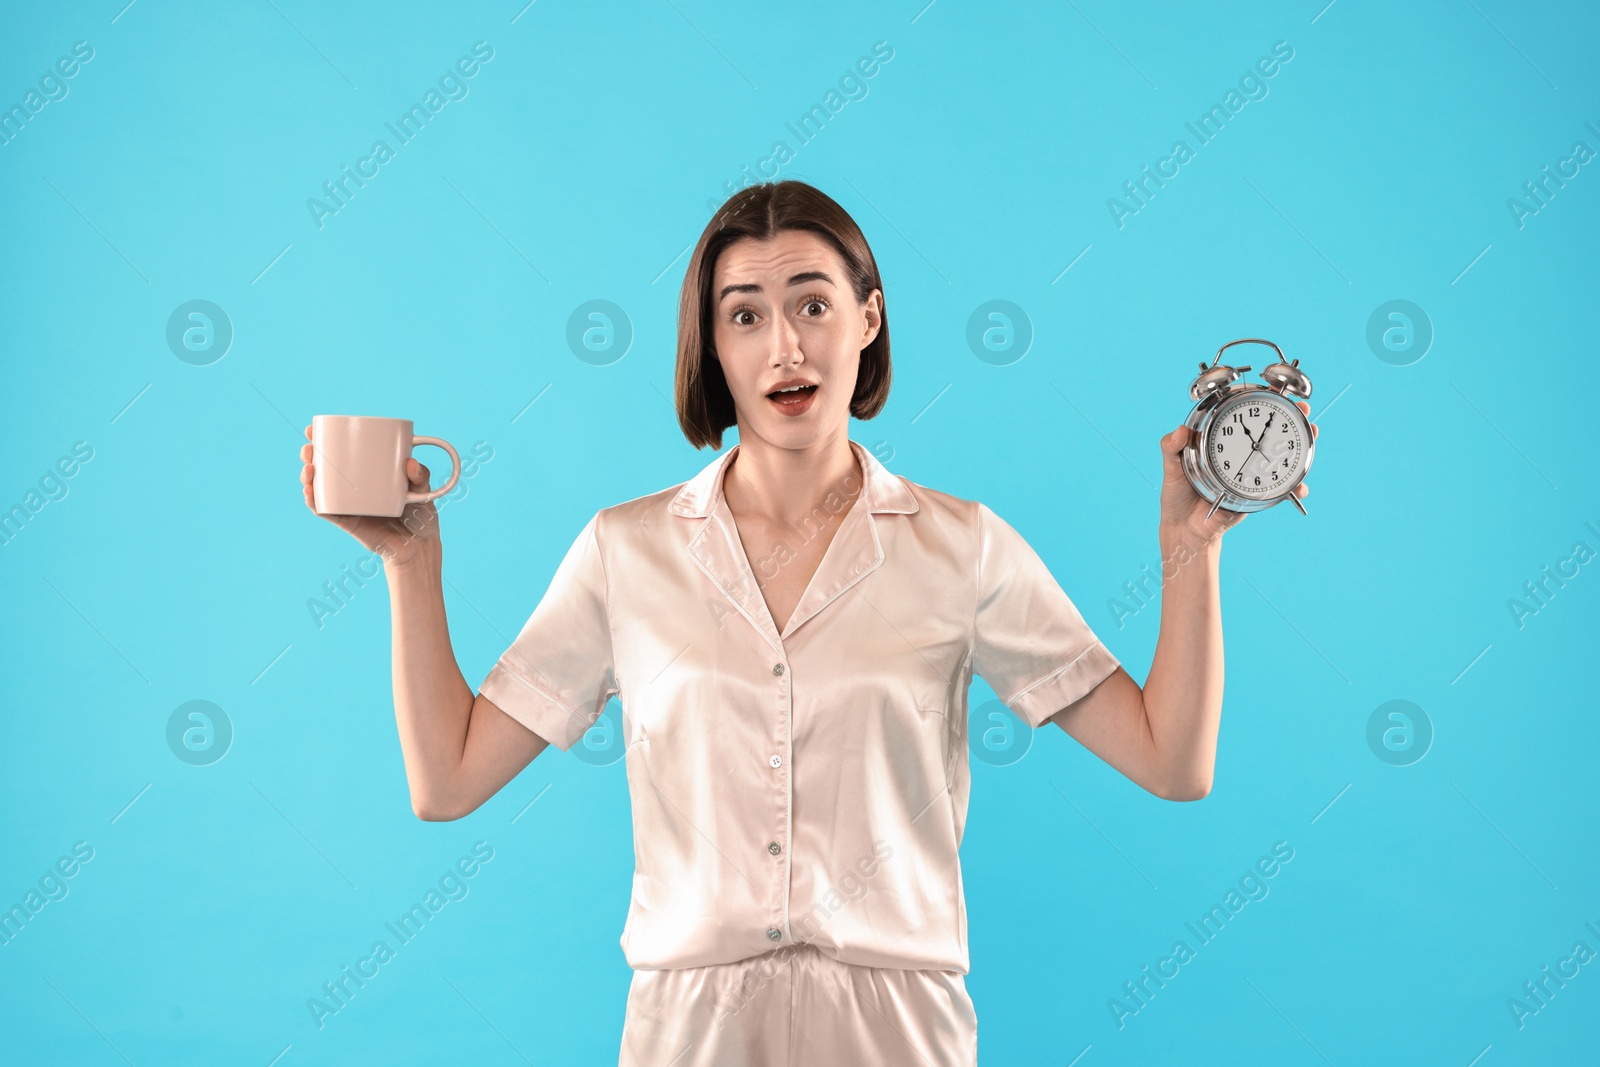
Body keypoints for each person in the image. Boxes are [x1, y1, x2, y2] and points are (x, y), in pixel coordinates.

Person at [297, 179, 1317, 1066]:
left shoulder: (960, 545)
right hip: (690, 1025)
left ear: (867, 319)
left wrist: (1194, 549)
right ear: (713, 345)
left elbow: (1171, 760)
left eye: (812, 304)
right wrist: (411, 560)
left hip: (896, 1021)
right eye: (743, 315)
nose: (783, 345)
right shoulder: (626, 549)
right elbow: (447, 777)